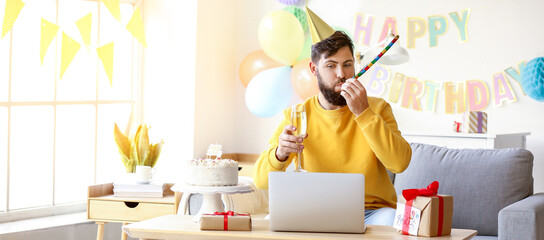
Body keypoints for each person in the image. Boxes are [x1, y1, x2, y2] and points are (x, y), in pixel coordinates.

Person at [252, 7, 412, 226]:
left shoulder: (377, 108)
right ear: (313, 69)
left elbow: (400, 163)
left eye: (348, 65)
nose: (341, 74)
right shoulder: (297, 115)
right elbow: (260, 180)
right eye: (331, 65)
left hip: (374, 213)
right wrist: (279, 153)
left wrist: (364, 113)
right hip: (316, 212)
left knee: (392, 220)